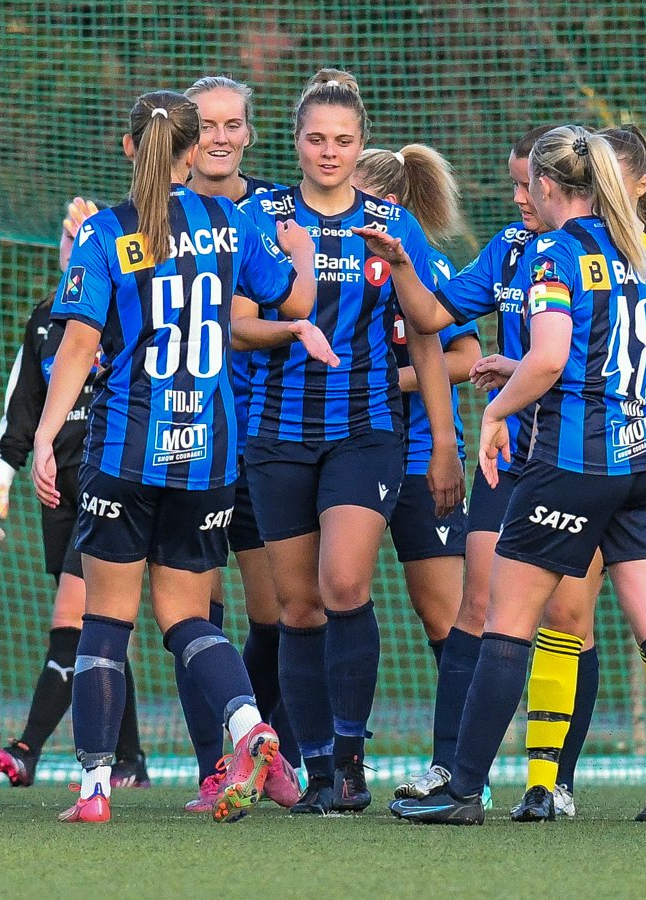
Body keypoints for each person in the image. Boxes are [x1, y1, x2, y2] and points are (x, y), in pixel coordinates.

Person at [384, 124, 646, 828]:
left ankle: (461, 790)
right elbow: (597, 355)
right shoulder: (634, 250)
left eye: (528, 183)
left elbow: (553, 356)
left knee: (506, 626)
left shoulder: (554, 253)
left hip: (575, 463)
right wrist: (510, 365)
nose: (522, 195)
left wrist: (498, 408)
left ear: (550, 185)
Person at [34, 89, 330, 824]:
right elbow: (293, 302)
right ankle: (250, 728)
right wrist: (301, 255)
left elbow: (78, 342)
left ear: (130, 148)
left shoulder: (105, 232)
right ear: (194, 151)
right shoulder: (231, 221)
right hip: (209, 450)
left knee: (107, 620)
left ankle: (95, 789)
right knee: (189, 618)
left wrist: (44, 435)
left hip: (126, 448)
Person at [239, 69, 461, 814]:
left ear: (361, 143)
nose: (328, 152)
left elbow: (427, 334)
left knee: (343, 585)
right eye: (315, 139)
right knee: (297, 607)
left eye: (342, 140)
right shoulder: (260, 217)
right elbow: (235, 323)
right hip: (275, 434)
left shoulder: (392, 224)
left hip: (366, 432)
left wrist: (443, 444)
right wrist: (292, 325)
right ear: (295, 143)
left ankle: (351, 761)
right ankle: (318, 770)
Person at [523, 123, 646, 822]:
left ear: (638, 183)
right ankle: (547, 782)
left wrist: (592, 362)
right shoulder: (568, 251)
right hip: (580, 455)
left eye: (617, 174)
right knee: (564, 615)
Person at [379, 126, 548, 806]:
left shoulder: (599, 254)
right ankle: (453, 774)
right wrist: (401, 263)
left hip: (588, 454)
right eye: (514, 184)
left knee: (576, 619)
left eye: (529, 185)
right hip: (508, 454)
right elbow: (432, 316)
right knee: (473, 608)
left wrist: (517, 376)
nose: (519, 197)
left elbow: (575, 357)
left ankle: (557, 780)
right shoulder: (508, 249)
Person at [0, 198, 152, 789]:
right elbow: (22, 405)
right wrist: (1, 479)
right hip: (58, 489)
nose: (74, 247)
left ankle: (27, 748)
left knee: (73, 621)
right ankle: (131, 758)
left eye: (86, 237)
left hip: (112, 478)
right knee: (101, 624)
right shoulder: (44, 318)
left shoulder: (130, 305)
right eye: (67, 237)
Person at [172, 73, 302, 813]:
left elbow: (292, 302)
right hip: (184, 435)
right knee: (197, 610)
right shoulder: (159, 212)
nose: (219, 137)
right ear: (186, 139)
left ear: (250, 133)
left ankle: (264, 747)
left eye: (232, 124)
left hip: (267, 437)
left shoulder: (272, 214)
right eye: (206, 125)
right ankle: (214, 768)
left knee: (275, 613)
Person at [352, 143, 480, 681]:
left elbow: (466, 358)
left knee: (443, 613)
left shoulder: (430, 265)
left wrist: (391, 380)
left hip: (421, 450)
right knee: (332, 597)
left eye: (355, 195)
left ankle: (468, 735)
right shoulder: (322, 264)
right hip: (346, 447)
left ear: (389, 205)